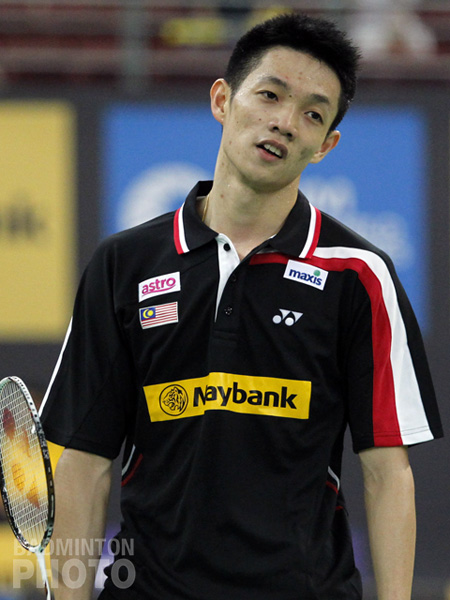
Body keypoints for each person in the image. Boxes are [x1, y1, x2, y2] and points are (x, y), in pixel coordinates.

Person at [40, 12, 443, 600]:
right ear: (223, 100)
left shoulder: (359, 274)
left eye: (313, 114)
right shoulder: (123, 264)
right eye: (270, 95)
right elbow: (86, 461)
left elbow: (388, 473)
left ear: (326, 146)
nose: (284, 123)